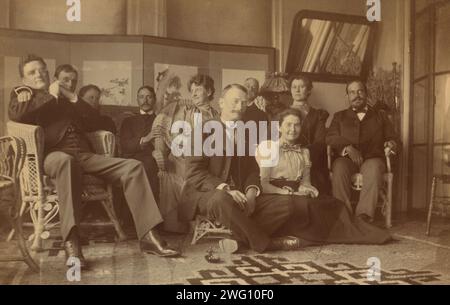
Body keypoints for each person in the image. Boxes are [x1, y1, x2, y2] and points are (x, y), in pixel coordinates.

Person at [8, 56, 179, 269]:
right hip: (54, 155)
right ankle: (72, 243)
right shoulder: (23, 95)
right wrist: (48, 96)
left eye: (42, 70)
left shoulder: (65, 97)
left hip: (84, 154)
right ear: (23, 78)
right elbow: (15, 115)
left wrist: (71, 97)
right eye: (32, 72)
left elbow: (96, 121)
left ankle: (148, 236)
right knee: (66, 162)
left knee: (133, 167)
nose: (39, 74)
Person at [182, 84, 302, 253]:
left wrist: (252, 192)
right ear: (221, 103)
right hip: (206, 194)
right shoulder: (201, 131)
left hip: (241, 194)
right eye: (235, 101)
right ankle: (264, 243)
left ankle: (238, 240)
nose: (239, 107)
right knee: (221, 199)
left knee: (286, 203)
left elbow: (252, 169)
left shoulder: (246, 132)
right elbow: (194, 173)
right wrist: (226, 189)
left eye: (244, 103)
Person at [255, 108, 392, 246]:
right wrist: (286, 192)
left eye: (297, 125)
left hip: (296, 193)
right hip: (273, 194)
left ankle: (352, 234)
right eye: (288, 124)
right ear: (279, 127)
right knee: (304, 207)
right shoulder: (268, 147)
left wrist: (306, 189)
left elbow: (305, 182)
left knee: (334, 205)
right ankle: (297, 237)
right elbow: (263, 184)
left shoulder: (304, 152)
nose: (293, 129)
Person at [150, 74, 219, 233]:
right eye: (192, 90)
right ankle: (181, 223)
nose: (193, 94)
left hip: (208, 158)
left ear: (208, 92)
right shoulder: (183, 110)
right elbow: (169, 133)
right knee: (185, 169)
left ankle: (208, 218)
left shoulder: (217, 115)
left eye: (198, 90)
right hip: (183, 155)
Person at [326, 80, 397, 222]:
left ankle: (363, 216)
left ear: (366, 93)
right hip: (346, 159)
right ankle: (343, 216)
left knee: (374, 168)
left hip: (373, 158)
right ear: (347, 96)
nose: (356, 95)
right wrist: (347, 147)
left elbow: (393, 138)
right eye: (352, 92)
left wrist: (391, 143)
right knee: (339, 167)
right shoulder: (339, 116)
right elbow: (330, 137)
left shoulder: (380, 116)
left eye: (360, 91)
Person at [288, 75, 331, 195]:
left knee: (316, 183)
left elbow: (320, 142)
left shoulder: (318, 115)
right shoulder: (281, 114)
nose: (297, 90)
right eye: (294, 87)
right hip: (286, 160)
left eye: (301, 87)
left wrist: (303, 156)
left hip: (311, 161)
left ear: (308, 91)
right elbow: (276, 140)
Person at [120, 86, 160, 202]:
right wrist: (146, 139)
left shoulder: (161, 120)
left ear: (154, 99)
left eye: (149, 97)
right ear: (137, 100)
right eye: (141, 97)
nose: (145, 100)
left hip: (154, 159)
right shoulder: (128, 121)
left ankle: (152, 218)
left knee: (149, 165)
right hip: (132, 158)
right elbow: (125, 145)